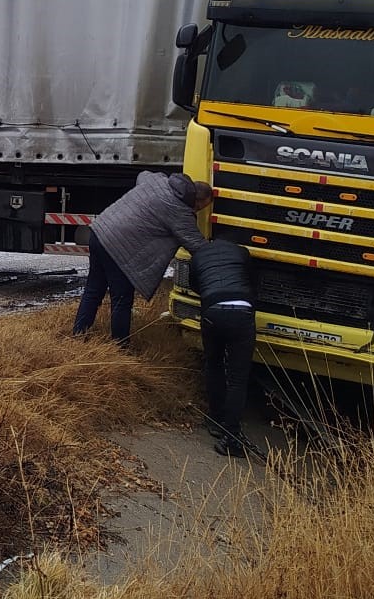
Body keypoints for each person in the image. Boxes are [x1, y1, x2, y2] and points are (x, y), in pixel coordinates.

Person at [73, 171, 211, 344]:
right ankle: (120, 347)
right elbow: (197, 246)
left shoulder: (159, 181)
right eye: (199, 208)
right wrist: (222, 254)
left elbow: (142, 175)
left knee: (93, 290)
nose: (196, 211)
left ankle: (78, 336)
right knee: (122, 299)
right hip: (119, 248)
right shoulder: (180, 211)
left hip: (100, 231)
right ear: (195, 201)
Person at [188, 238, 257, 458]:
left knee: (214, 364)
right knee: (238, 378)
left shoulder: (197, 256)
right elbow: (251, 280)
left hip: (212, 310)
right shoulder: (241, 251)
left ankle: (216, 419)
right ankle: (232, 437)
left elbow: (194, 285)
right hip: (243, 312)